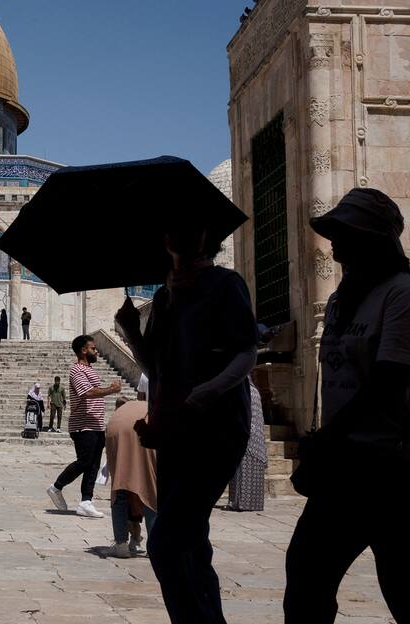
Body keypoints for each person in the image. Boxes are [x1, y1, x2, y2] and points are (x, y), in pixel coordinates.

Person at [283, 189, 410, 624]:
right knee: (306, 577)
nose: (336, 245)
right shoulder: (345, 301)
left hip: (399, 472)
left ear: (376, 238)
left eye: (345, 233)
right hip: (346, 466)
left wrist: (327, 439)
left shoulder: (403, 297)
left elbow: (392, 382)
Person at [115, 222, 257, 624]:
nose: (174, 234)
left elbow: (246, 354)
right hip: (174, 429)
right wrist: (130, 332)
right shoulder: (164, 297)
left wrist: (205, 394)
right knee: (192, 543)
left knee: (167, 544)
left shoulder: (225, 285)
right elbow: (156, 368)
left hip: (217, 428)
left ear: (202, 237)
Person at [46, 335, 121, 518]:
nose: (96, 351)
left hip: (95, 424)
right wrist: (111, 389)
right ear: (83, 350)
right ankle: (56, 487)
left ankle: (86, 502)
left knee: (93, 464)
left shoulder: (90, 370)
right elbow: (87, 393)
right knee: (85, 461)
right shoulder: (77, 370)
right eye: (93, 348)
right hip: (82, 424)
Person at [105, 388, 157, 558]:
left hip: (117, 430)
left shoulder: (119, 414)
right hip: (147, 427)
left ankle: (121, 544)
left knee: (120, 486)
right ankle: (155, 546)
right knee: (150, 488)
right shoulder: (146, 407)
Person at [227, 377, 266, 512]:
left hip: (247, 436)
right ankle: (251, 503)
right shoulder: (254, 391)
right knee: (248, 471)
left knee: (242, 471)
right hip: (257, 439)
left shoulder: (246, 391)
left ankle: (239, 502)